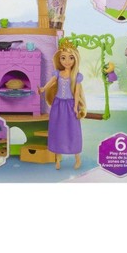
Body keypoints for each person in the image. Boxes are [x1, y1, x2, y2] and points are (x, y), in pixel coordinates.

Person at [38, 42, 86, 170]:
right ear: (59, 59)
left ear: (75, 59)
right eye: (63, 58)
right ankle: (58, 159)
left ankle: (77, 158)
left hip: (70, 105)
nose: (67, 61)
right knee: (57, 131)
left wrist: (75, 106)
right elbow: (50, 83)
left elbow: (77, 93)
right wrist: (43, 89)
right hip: (58, 105)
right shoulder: (58, 73)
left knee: (73, 131)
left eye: (71, 58)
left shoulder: (76, 76)